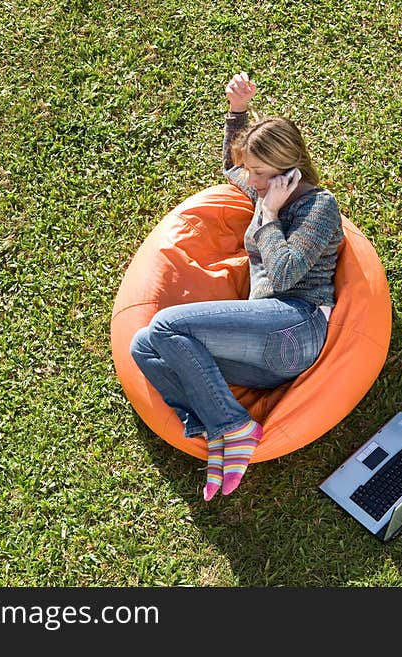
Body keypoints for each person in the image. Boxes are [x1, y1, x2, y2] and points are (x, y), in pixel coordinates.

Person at [130, 71, 343, 501]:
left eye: (262, 174)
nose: (254, 183)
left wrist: (268, 218)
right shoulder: (266, 187)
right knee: (143, 345)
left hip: (297, 327)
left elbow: (284, 274)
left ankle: (234, 427)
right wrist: (237, 112)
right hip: (262, 353)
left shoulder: (318, 207)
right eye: (255, 175)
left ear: (290, 171)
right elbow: (232, 167)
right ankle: (212, 430)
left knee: (168, 327)